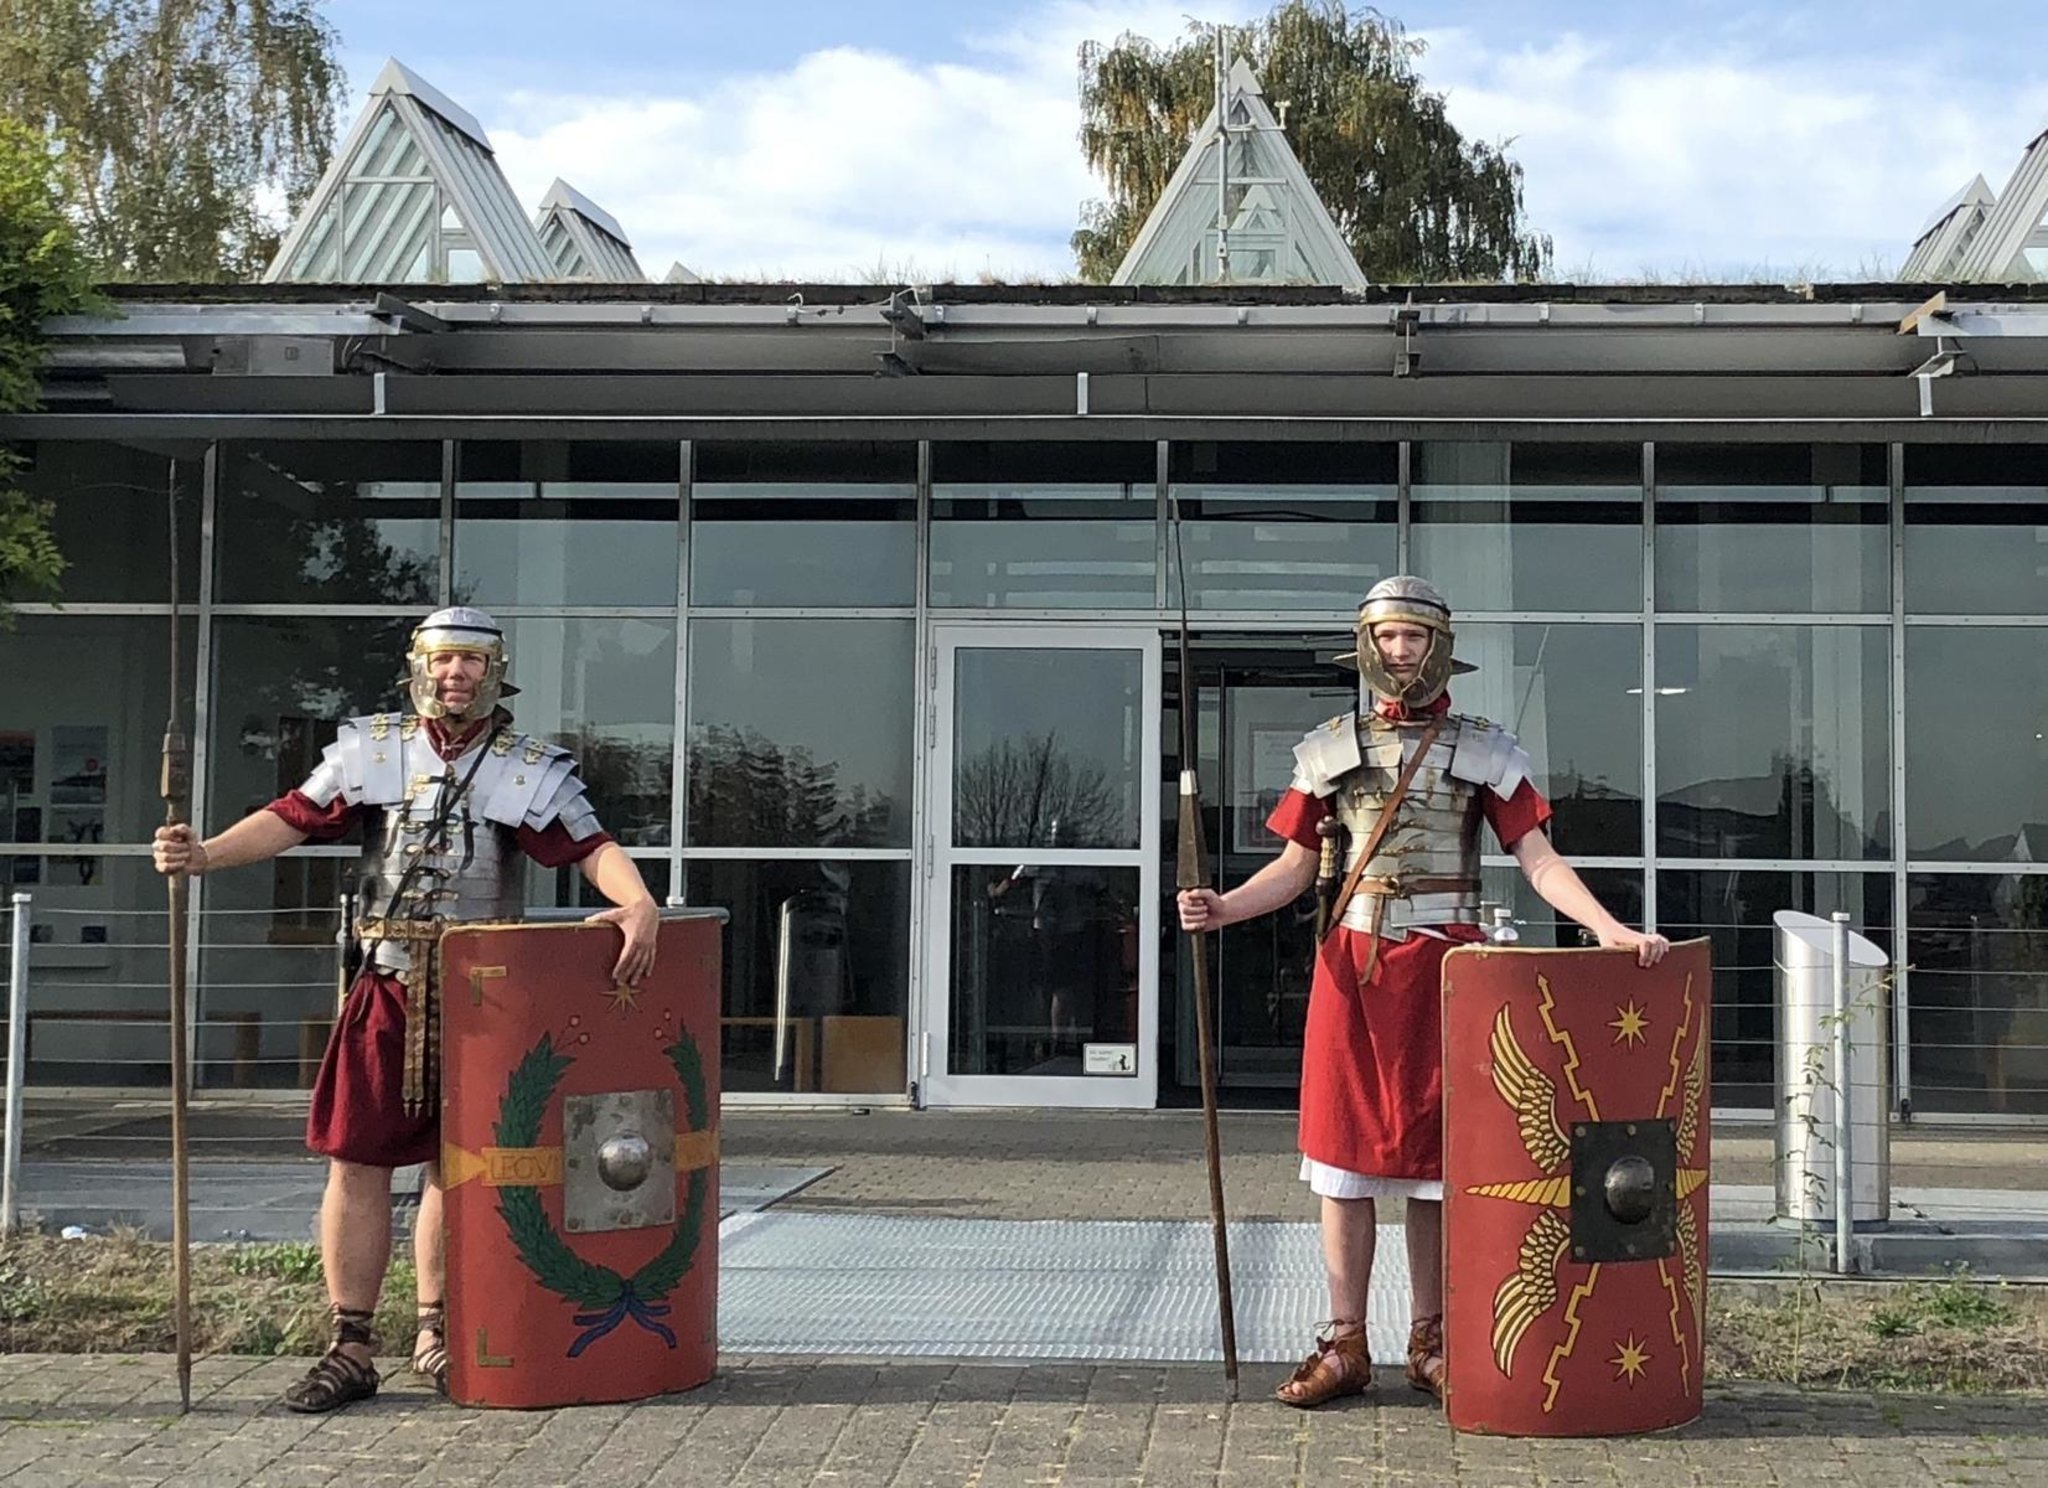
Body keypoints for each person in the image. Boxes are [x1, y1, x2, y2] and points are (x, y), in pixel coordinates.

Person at [1175, 576, 1668, 1408]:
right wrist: (1221, 908)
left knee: (1440, 1167)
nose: (1401, 652)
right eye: (1388, 638)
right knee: (1342, 1162)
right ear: (1367, 647)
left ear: (1440, 647)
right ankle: (1345, 1343)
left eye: (1414, 637)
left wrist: (1609, 929)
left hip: (1450, 971)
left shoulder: (1487, 749)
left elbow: (1538, 861)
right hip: (1352, 971)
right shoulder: (1329, 749)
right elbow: (1298, 869)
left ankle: (1431, 1339)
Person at [153, 607, 659, 1413]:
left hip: (484, 994)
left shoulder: (529, 767)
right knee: (356, 1160)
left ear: (497, 675)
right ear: (419, 669)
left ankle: (438, 1333)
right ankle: (350, 1345)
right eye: (443, 660)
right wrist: (206, 855)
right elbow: (291, 818)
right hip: (386, 984)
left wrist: (638, 904)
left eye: (472, 662)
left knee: (455, 1166)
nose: (456, 674)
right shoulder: (373, 749)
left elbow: (587, 847)